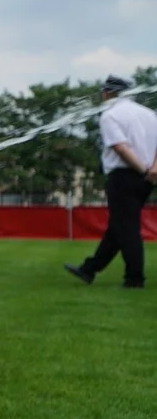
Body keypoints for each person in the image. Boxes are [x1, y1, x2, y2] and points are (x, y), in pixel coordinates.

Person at [65, 75, 157, 288]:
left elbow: (120, 147)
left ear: (107, 93)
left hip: (125, 175)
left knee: (127, 228)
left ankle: (135, 279)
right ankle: (89, 269)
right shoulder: (149, 114)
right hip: (147, 177)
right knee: (119, 226)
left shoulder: (110, 114)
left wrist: (143, 170)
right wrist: (153, 170)